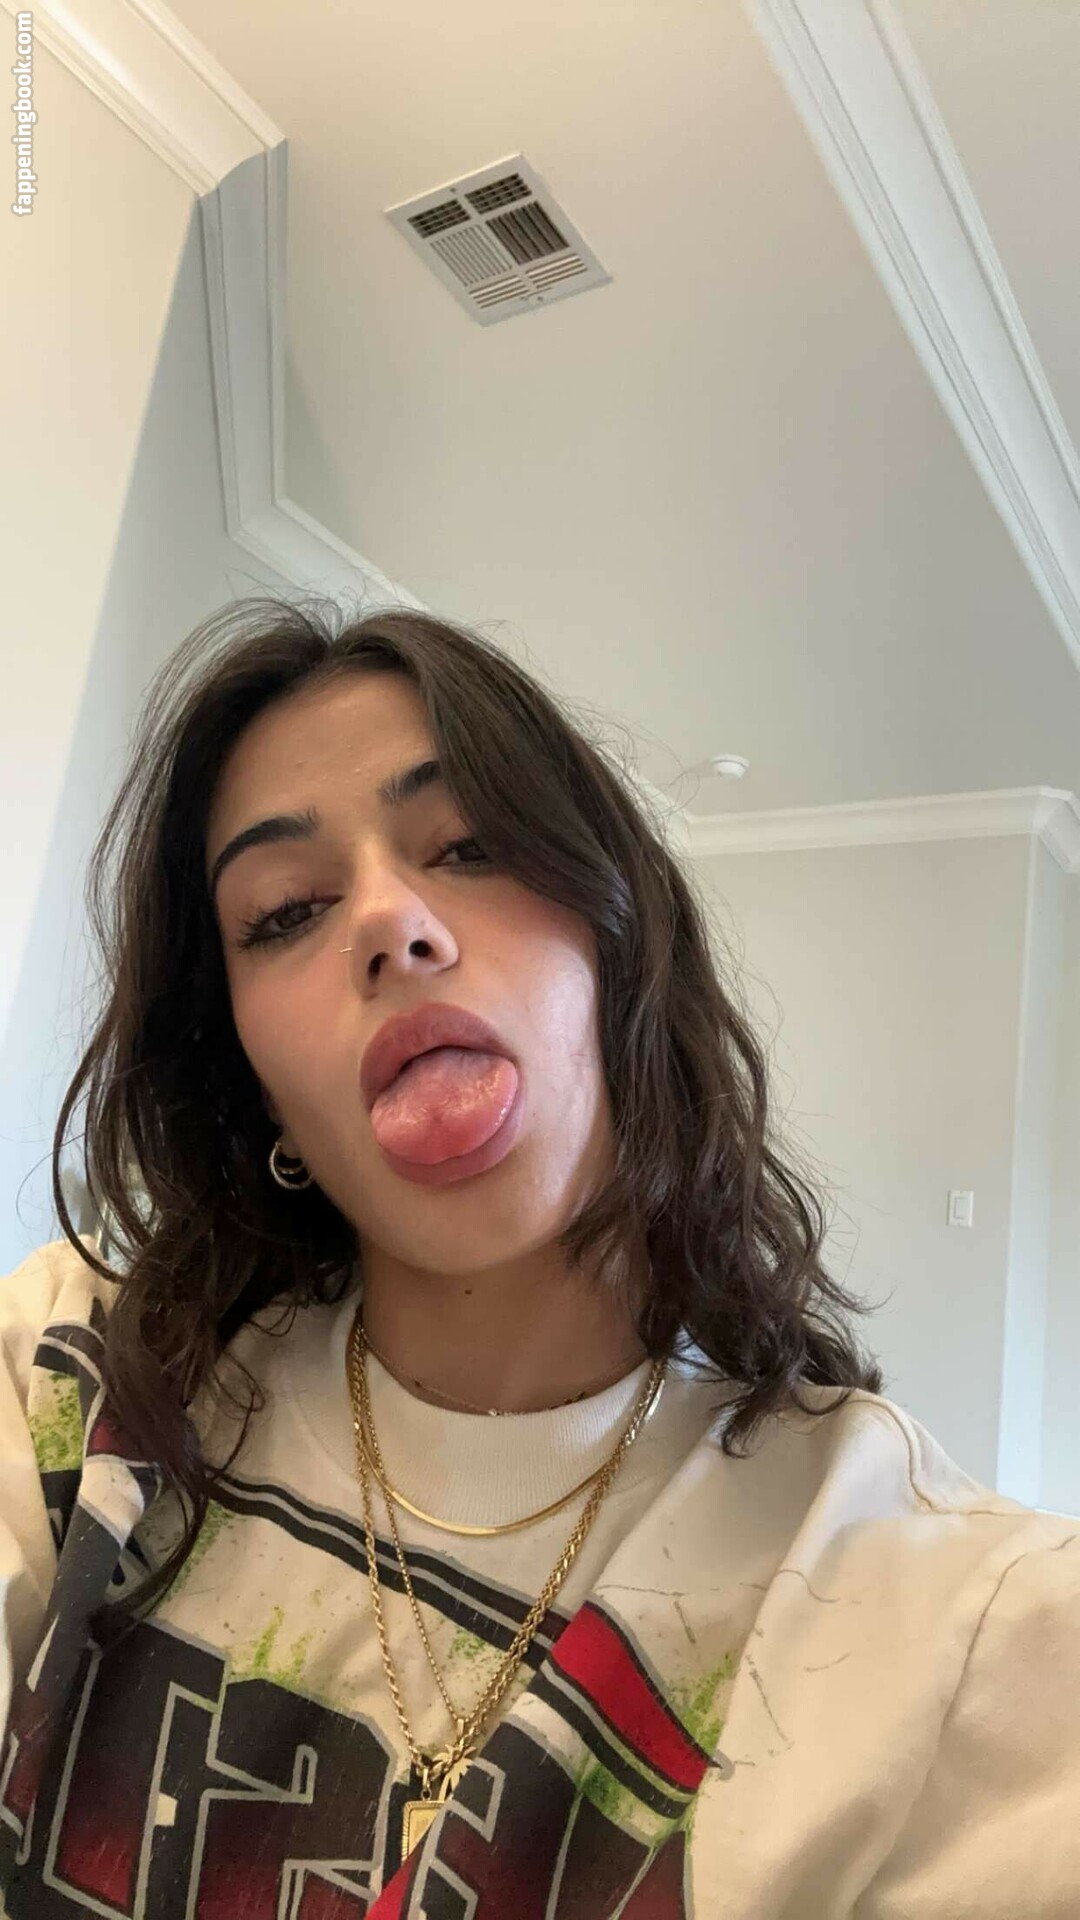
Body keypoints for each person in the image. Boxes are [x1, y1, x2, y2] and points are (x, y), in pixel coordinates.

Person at [0, 595, 1076, 1918]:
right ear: (252, 1082)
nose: (391, 921)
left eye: (470, 845)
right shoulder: (70, 1389)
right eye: (284, 913)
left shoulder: (922, 1613)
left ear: (619, 949)